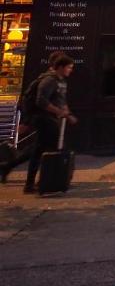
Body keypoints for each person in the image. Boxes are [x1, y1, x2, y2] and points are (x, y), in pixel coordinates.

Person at [23, 52, 77, 194]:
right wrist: (59, 112)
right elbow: (41, 101)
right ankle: (46, 181)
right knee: (52, 148)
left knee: (41, 149)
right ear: (60, 67)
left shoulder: (61, 81)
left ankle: (42, 182)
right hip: (42, 118)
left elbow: (62, 100)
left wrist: (69, 114)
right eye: (69, 67)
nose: (70, 70)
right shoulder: (49, 80)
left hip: (50, 119)